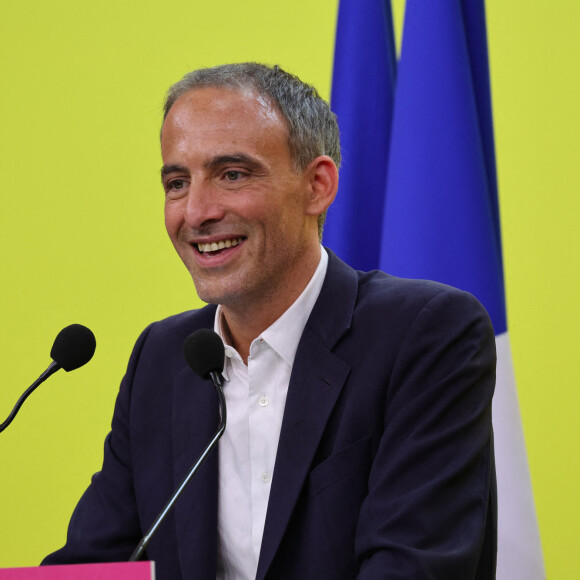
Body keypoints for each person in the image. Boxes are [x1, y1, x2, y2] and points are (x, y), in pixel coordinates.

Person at [43, 63, 496, 579]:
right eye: (176, 182)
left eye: (232, 175)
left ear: (317, 186)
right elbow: (90, 564)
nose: (195, 212)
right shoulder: (162, 358)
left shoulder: (427, 334)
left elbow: (412, 567)